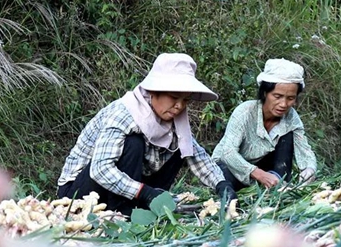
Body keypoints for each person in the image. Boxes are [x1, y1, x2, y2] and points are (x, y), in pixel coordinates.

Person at [57, 53, 237, 215]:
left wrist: (222, 184)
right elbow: (100, 170)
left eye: (185, 100)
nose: (179, 106)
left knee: (181, 146)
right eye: (174, 98)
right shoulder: (123, 114)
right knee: (133, 143)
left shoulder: (175, 122)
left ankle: (138, 207)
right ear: (153, 92)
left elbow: (196, 155)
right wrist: (145, 192)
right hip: (77, 194)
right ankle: (123, 211)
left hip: (126, 191)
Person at [212, 58, 317, 191]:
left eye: (290, 98)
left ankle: (279, 186)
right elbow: (228, 153)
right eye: (277, 96)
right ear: (265, 93)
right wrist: (259, 174)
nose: (284, 104)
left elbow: (304, 149)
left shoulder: (291, 117)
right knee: (225, 180)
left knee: (288, 135)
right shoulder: (245, 112)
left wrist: (309, 169)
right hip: (229, 167)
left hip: (264, 169)